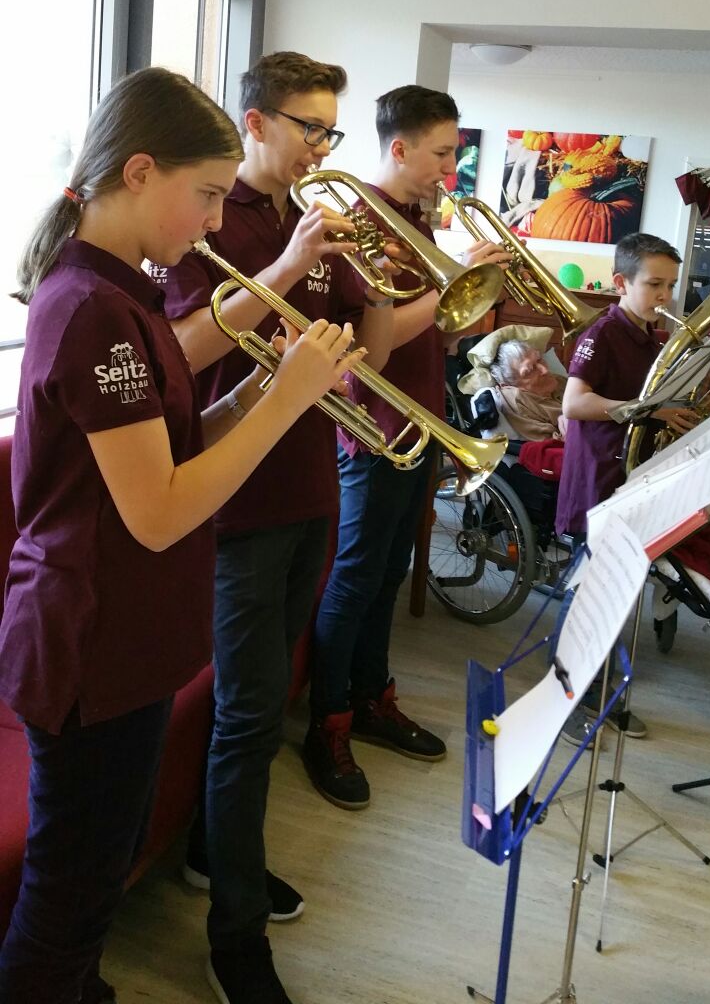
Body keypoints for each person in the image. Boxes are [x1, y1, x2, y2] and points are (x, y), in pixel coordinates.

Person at [0, 68, 364, 1004]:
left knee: (100, 870)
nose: (211, 222)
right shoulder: (91, 309)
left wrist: (258, 391)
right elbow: (158, 509)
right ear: (138, 172)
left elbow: (170, 442)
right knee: (69, 892)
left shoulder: (126, 291)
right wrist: (282, 404)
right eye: (204, 194)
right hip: (89, 645)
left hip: (125, 638)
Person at [159, 51, 397, 1004]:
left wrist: (376, 288)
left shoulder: (318, 219)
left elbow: (365, 362)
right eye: (310, 127)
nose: (322, 147)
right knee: (250, 715)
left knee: (255, 712)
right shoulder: (210, 220)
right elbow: (183, 354)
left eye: (331, 130)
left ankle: (214, 857)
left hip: (310, 490)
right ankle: (236, 936)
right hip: (238, 506)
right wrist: (291, 263)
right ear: (255, 122)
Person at [303, 84, 510, 809]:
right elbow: (370, 345)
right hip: (374, 429)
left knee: (391, 571)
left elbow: (434, 335)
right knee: (356, 576)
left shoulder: (416, 220)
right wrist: (454, 284)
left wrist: (466, 306)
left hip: (420, 420)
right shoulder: (358, 220)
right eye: (442, 154)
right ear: (399, 148)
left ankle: (370, 699)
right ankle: (326, 722)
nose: (450, 169)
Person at [555, 231, 701, 746]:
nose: (665, 296)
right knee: (587, 599)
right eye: (654, 284)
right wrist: (648, 410)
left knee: (617, 599)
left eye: (671, 286)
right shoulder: (603, 333)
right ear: (621, 283)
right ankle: (566, 703)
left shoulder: (654, 339)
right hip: (597, 480)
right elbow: (573, 404)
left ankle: (602, 694)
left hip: (631, 482)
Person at [457, 325, 567, 443]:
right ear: (508, 385)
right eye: (529, 371)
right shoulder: (516, 400)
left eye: (539, 359)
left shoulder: (558, 380)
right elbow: (555, 445)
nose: (544, 370)